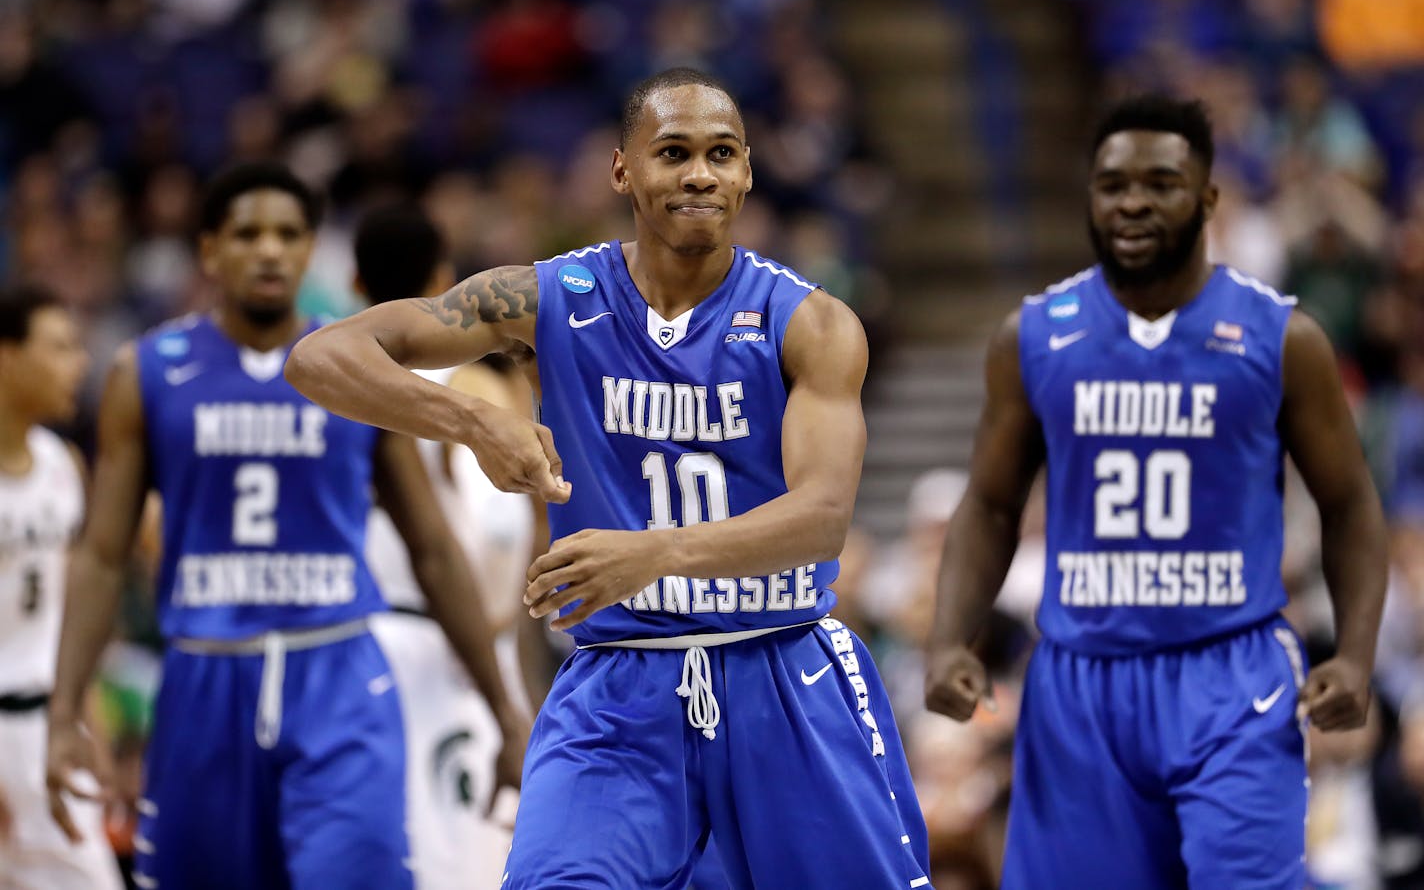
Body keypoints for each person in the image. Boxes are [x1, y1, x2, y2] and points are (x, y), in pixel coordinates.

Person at [286, 67, 933, 889]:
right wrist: (474, 418)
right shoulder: (551, 296)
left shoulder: (809, 321)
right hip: (621, 684)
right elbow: (321, 357)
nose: (701, 173)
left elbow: (822, 517)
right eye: (674, 152)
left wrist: (653, 553)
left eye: (722, 154)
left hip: (781, 668)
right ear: (623, 169)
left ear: (746, 173)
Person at [924, 94, 1388, 889]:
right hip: (1081, 681)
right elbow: (991, 504)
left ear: (1207, 198)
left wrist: (1354, 654)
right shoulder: (1035, 336)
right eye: (1112, 184)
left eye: (1160, 182)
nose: (1132, 200)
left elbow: (1350, 505)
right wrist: (947, 637)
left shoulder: (1282, 339)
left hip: (1230, 672)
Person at [44, 162, 528, 890]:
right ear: (209, 250)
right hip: (206, 669)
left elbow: (432, 547)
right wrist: (62, 712)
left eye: (287, 234)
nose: (268, 250)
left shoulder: (355, 368)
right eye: (247, 234)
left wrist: (505, 709)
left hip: (336, 668)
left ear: (310, 252)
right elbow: (104, 554)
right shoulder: (146, 369)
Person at [354, 203, 537, 890]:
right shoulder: (480, 386)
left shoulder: (343, 376)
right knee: (472, 862)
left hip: (367, 638)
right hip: (456, 644)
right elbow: (495, 532)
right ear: (445, 278)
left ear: (353, 283)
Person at [0, 287, 123, 889]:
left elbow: (69, 614)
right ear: (6, 355)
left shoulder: (63, 464)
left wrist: (90, 726)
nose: (79, 363)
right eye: (60, 347)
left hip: (46, 728)